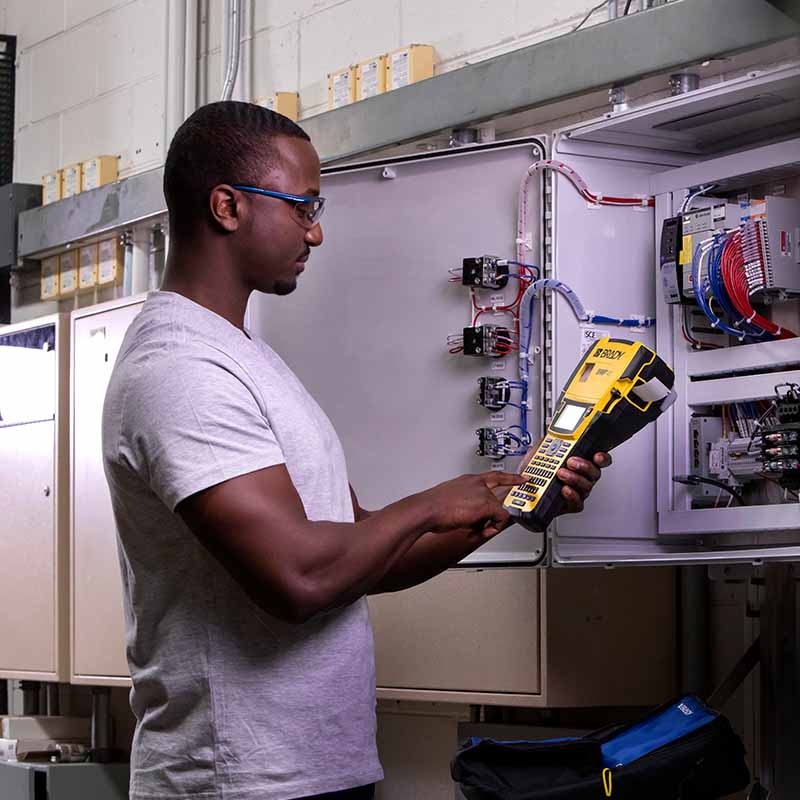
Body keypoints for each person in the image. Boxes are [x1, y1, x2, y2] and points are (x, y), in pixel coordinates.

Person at [102, 101, 611, 800]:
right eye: (302, 206)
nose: (316, 231)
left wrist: (504, 505)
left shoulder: (246, 357)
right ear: (227, 206)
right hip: (234, 782)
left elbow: (360, 560)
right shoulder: (179, 371)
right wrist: (437, 500)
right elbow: (300, 580)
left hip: (317, 770)